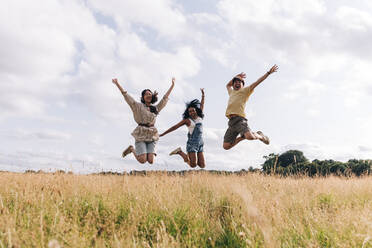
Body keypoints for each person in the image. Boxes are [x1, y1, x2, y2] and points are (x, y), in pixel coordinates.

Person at [112, 77, 175, 164]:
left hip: (152, 134)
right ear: (143, 97)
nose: (148, 95)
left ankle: (138, 151)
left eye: (150, 94)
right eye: (146, 94)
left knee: (151, 161)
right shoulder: (137, 106)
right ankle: (131, 149)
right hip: (141, 133)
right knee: (142, 160)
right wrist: (117, 84)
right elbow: (126, 96)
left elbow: (165, 99)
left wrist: (172, 85)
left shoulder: (155, 108)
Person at [223, 65, 279, 150]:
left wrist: (268, 73)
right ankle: (243, 136)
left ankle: (260, 136)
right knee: (226, 146)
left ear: (242, 85)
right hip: (231, 122)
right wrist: (236, 76)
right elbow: (228, 85)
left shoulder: (245, 91)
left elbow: (257, 82)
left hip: (239, 119)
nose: (237, 83)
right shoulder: (231, 92)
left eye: (239, 82)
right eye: (235, 82)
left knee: (250, 137)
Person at [159, 89, 205, 168]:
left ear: (196, 110)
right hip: (192, 144)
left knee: (202, 165)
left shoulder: (199, 117)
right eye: (190, 111)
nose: (192, 112)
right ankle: (180, 152)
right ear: (188, 113)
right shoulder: (187, 120)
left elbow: (202, 105)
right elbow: (175, 127)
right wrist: (163, 134)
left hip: (200, 143)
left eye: (193, 110)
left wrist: (203, 95)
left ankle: (180, 152)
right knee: (193, 165)